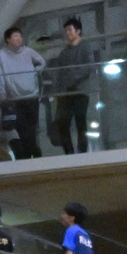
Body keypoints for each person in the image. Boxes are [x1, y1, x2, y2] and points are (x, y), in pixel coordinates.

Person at [0, 26, 45, 158]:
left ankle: (31, 154)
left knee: (32, 127)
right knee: (21, 128)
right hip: (14, 98)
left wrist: (34, 72)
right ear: (8, 39)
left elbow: (42, 62)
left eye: (20, 36)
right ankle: (29, 155)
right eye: (15, 36)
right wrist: (2, 93)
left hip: (32, 95)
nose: (19, 38)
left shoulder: (28, 51)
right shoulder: (0, 56)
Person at [48, 16, 94, 154]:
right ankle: (69, 152)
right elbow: (60, 74)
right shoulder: (64, 53)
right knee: (64, 123)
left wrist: (73, 78)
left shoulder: (85, 47)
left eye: (69, 30)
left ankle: (82, 151)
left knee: (80, 121)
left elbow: (88, 67)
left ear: (78, 31)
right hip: (66, 92)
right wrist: (59, 91)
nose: (67, 33)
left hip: (80, 90)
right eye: (66, 30)